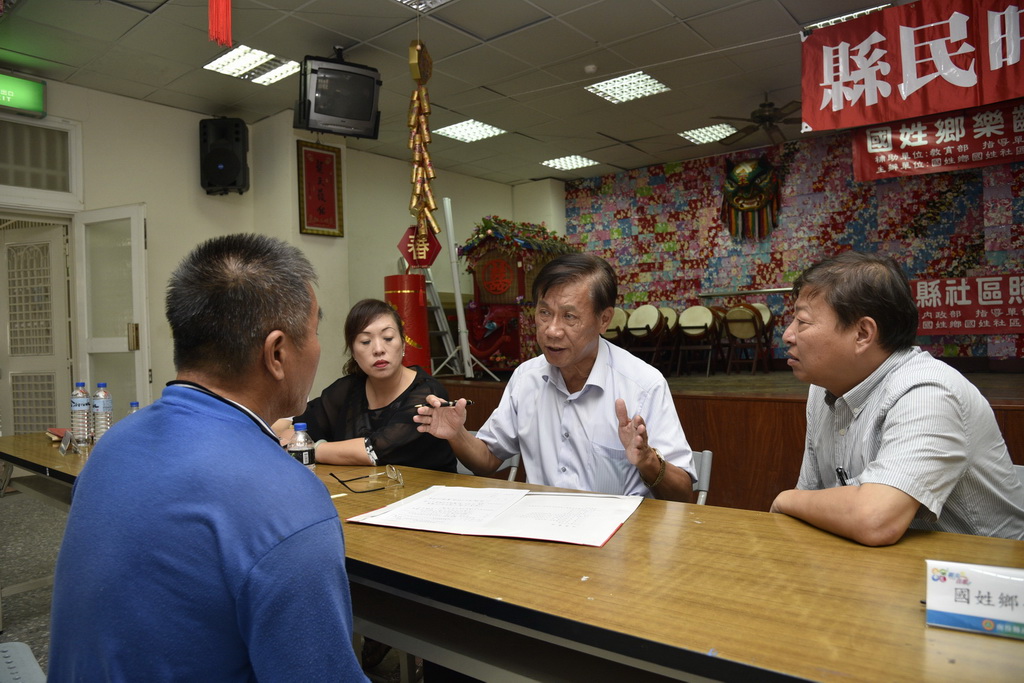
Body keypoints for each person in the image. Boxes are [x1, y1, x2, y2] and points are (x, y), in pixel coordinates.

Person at [48, 234, 367, 681]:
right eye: (315, 333)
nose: (317, 349)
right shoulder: (287, 502)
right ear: (277, 353)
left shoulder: (114, 445)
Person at [771, 251, 1024, 546]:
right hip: (882, 569)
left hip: (980, 574)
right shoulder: (823, 388)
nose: (788, 335)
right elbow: (812, 498)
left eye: (802, 321)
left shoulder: (927, 392)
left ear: (863, 333)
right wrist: (796, 501)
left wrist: (785, 499)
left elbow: (876, 519)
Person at [416, 252, 696, 502]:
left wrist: (648, 461)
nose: (552, 330)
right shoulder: (527, 378)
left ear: (604, 319)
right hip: (540, 535)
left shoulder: (643, 385)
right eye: (544, 313)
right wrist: (458, 435)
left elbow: (682, 493)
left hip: (619, 541)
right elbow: (487, 461)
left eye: (569, 317)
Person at [275, 298, 457, 473]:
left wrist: (314, 448)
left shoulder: (428, 393)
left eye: (387, 338)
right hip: (365, 494)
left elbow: (375, 451)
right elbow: (298, 427)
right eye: (365, 341)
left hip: (427, 495)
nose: (378, 349)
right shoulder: (347, 389)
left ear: (402, 344)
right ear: (353, 352)